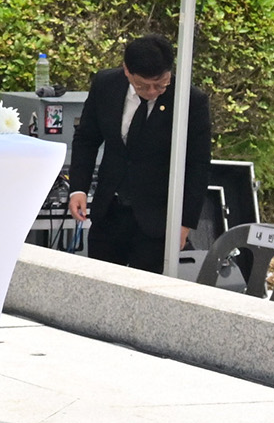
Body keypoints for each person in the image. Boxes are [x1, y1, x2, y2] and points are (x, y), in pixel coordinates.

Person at [67, 36, 213, 273]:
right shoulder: (106, 85)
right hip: (110, 209)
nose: (152, 92)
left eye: (161, 84)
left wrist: (185, 222)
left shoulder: (190, 101)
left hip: (157, 217)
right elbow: (86, 138)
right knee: (100, 284)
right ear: (127, 71)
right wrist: (79, 188)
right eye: (143, 85)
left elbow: (198, 165)